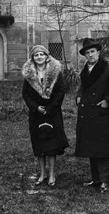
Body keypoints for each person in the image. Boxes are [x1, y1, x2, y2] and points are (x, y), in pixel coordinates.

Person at [75, 38, 109, 193]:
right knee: (92, 146)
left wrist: (107, 102)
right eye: (87, 53)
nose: (90, 55)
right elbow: (84, 87)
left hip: (102, 114)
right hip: (88, 114)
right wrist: (78, 96)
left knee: (103, 148)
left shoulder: (108, 69)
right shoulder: (85, 70)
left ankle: (104, 180)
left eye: (92, 52)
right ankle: (96, 179)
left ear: (98, 53)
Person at [22, 45, 69, 187]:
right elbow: (25, 94)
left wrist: (50, 108)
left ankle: (52, 174)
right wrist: (36, 108)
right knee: (39, 145)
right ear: (33, 58)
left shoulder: (55, 72)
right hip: (36, 114)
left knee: (51, 146)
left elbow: (61, 92)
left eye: (42, 54)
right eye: (36, 55)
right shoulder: (29, 74)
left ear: (47, 56)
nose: (39, 57)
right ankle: (42, 174)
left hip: (52, 113)